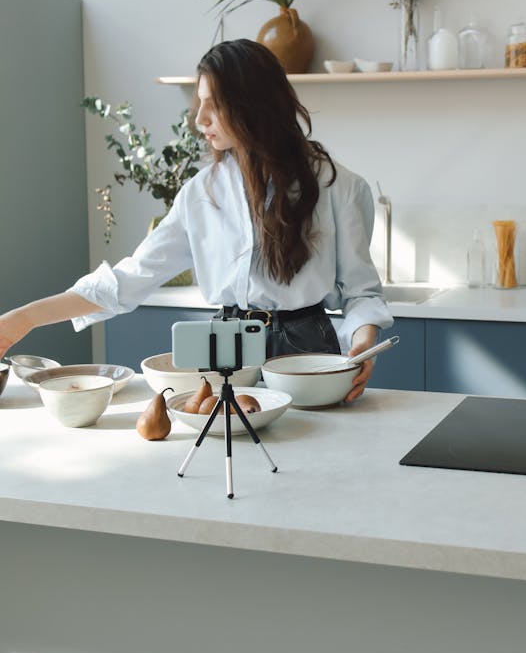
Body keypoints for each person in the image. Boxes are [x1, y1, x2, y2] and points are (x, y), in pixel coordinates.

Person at [0, 39, 393, 403]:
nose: (199, 119)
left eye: (214, 104)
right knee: (221, 453)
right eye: (199, 102)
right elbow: (129, 280)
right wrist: (23, 319)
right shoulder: (200, 193)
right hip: (224, 349)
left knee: (315, 458)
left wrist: (363, 345)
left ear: (255, 106)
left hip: (307, 355)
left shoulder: (337, 186)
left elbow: (361, 292)